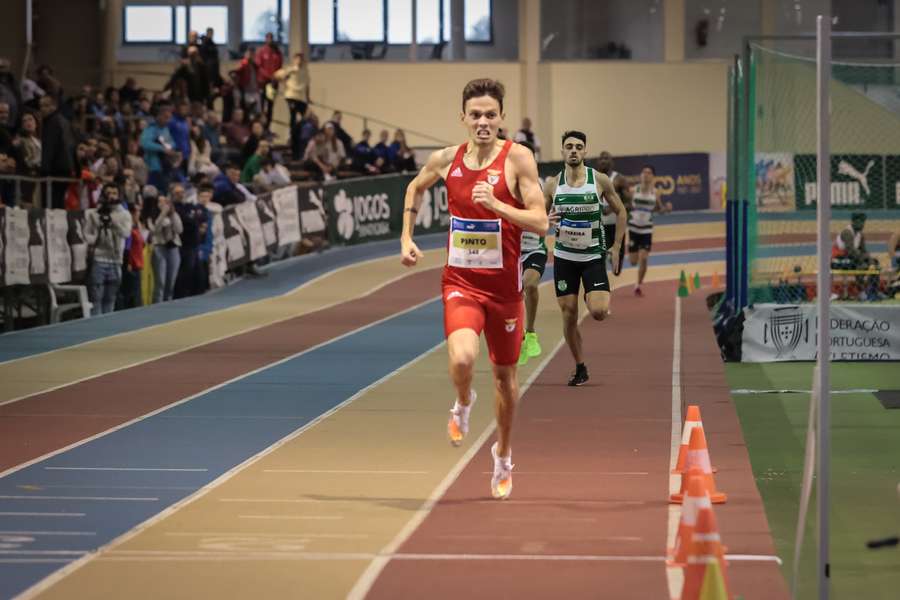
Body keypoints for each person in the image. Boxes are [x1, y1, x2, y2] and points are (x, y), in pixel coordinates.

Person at [399, 78, 548, 500]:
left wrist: (498, 205)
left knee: (505, 378)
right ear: (462, 118)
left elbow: (541, 222)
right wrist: (406, 237)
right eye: (476, 115)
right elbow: (414, 187)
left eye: (491, 115)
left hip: (504, 292)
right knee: (463, 359)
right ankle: (463, 402)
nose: (483, 122)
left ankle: (503, 454)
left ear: (501, 118)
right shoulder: (446, 159)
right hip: (461, 282)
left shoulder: (518, 159)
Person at [546, 131, 626, 386]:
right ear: (562, 151)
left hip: (592, 256)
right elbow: (535, 213)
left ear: (584, 152)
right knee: (569, 313)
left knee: (600, 311)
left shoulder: (599, 180)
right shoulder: (552, 184)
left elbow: (621, 211)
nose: (573, 151)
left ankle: (590, 292)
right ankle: (580, 366)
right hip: (565, 258)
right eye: (568, 146)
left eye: (578, 147)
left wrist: (615, 247)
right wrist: (544, 220)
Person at [516, 140, 549, 366]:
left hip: (534, 249)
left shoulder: (541, 187)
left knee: (530, 284)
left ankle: (531, 332)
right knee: (513, 297)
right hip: (510, 252)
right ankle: (517, 337)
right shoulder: (503, 185)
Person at [84, 183, 132, 314]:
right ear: (103, 195)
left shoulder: (125, 214)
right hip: (98, 260)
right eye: (108, 193)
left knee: (110, 298)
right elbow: (87, 234)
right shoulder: (94, 214)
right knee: (96, 298)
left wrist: (112, 220)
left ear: (119, 195)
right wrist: (94, 239)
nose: (111, 196)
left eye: (114, 193)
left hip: (116, 260)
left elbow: (126, 233)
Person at [628, 165, 671, 296]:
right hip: (634, 228)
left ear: (653, 176)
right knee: (633, 261)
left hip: (646, 230)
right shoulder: (633, 190)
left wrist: (666, 209)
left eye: (649, 173)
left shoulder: (656, 192)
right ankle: (637, 278)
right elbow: (627, 206)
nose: (646, 175)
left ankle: (638, 285)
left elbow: (659, 209)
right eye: (644, 172)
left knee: (644, 258)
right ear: (641, 175)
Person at [595, 151, 630, 277]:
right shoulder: (593, 178)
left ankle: (612, 256)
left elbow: (629, 204)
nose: (603, 160)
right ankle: (601, 286)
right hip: (600, 225)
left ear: (612, 162)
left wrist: (613, 208)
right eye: (601, 158)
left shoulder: (619, 179)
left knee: (616, 271)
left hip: (616, 225)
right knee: (599, 259)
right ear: (598, 162)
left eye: (606, 158)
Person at [275, 53, 311, 141]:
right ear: (294, 60)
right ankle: (291, 135)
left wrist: (308, 97)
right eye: (298, 59)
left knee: (306, 115)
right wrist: (285, 83)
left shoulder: (305, 72)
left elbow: (307, 85)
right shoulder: (290, 70)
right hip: (291, 96)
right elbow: (277, 75)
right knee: (293, 115)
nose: (299, 61)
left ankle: (301, 133)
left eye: (301, 60)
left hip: (301, 97)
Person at [255, 33, 283, 127]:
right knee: (262, 106)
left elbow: (280, 67)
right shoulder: (261, 51)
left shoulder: (277, 52)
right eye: (268, 38)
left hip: (273, 83)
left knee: (270, 105)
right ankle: (260, 127)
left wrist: (275, 77)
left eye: (271, 38)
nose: (269, 40)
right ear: (265, 39)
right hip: (263, 82)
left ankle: (268, 127)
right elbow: (259, 67)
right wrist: (268, 76)